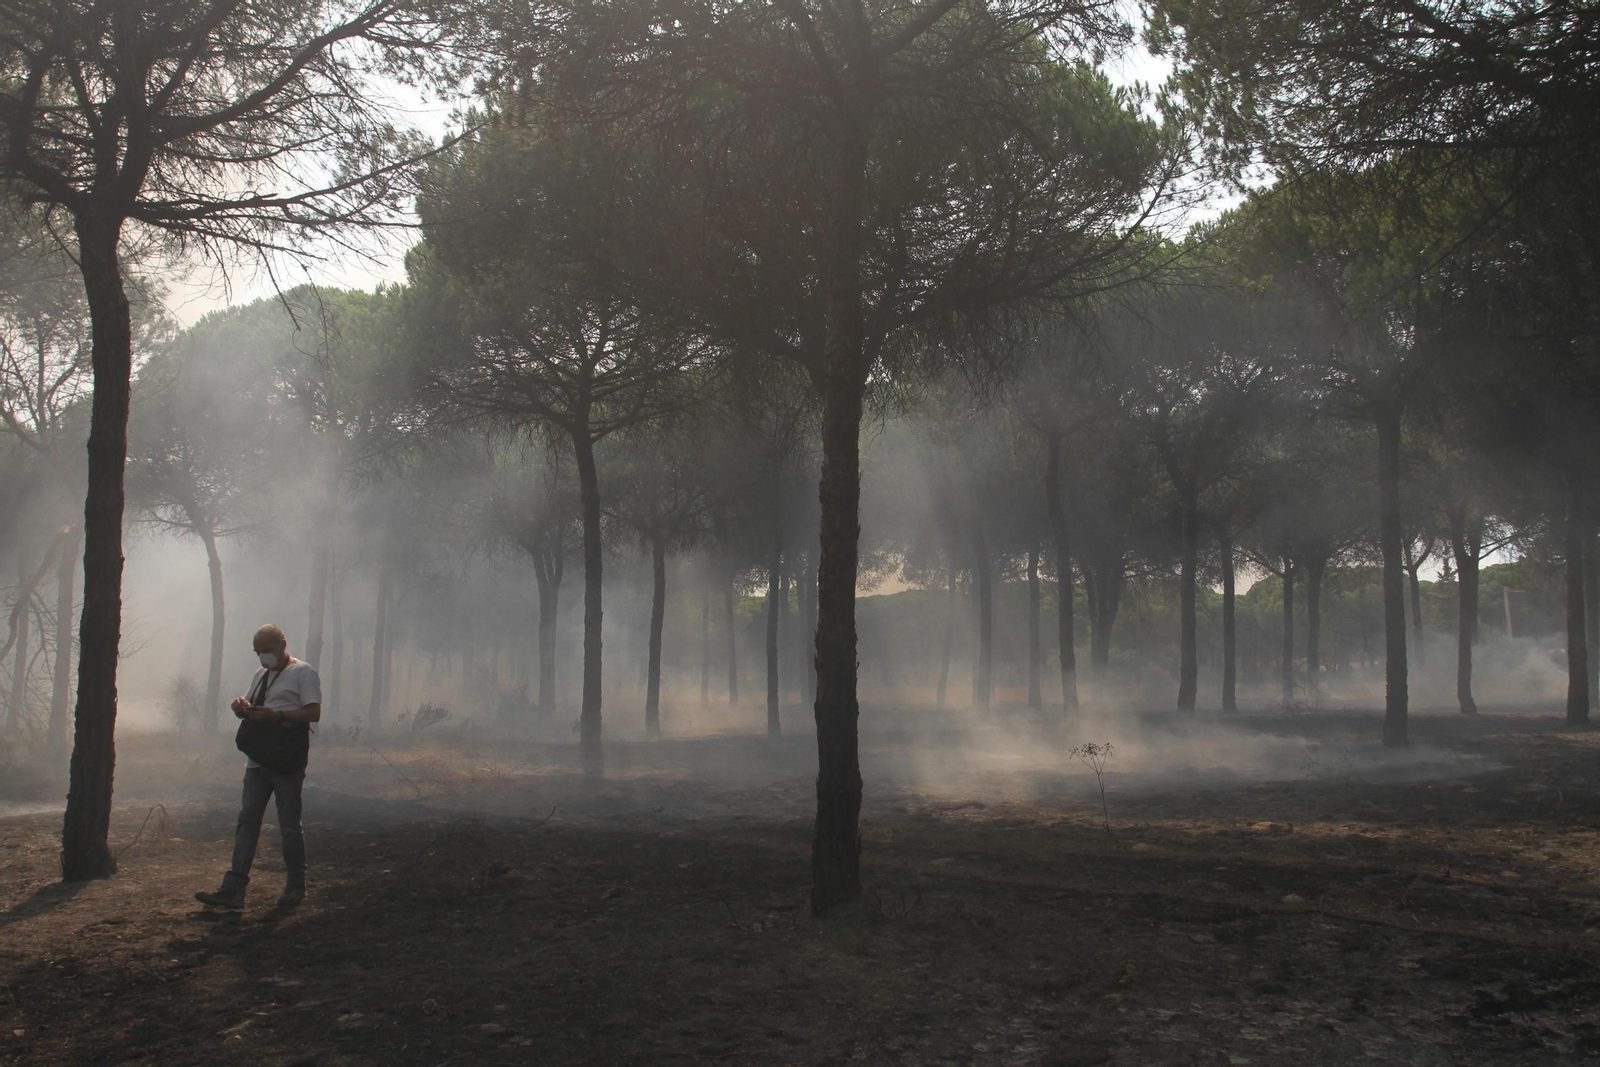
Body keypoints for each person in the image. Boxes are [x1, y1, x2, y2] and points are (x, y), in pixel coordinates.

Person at [196, 624, 321, 910]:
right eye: (258, 652)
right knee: (247, 821)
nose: (263, 657)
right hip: (257, 761)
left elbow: (313, 712)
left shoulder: (303, 672)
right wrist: (241, 706)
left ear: (283, 644)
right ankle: (234, 887)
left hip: (286, 759)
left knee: (289, 824)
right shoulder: (261, 674)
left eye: (267, 650)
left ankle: (295, 886)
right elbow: (251, 703)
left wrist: (276, 716)